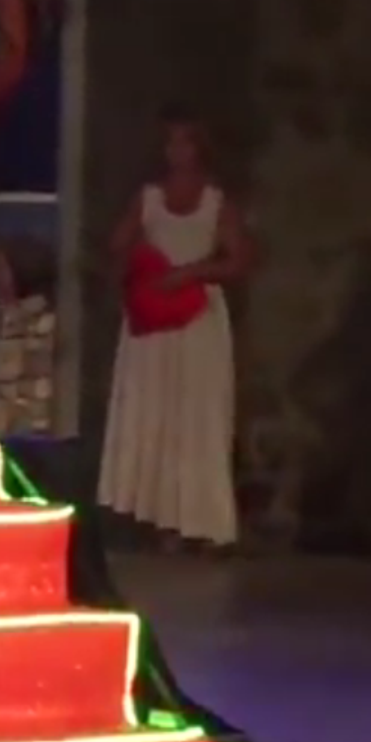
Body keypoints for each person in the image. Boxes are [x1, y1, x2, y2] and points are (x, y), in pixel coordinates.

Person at [97, 107, 251, 552]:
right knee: (155, 412)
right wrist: (142, 265)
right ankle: (160, 521)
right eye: (170, 142)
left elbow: (239, 261)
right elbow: (117, 245)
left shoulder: (216, 202)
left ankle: (201, 522)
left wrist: (189, 273)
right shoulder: (148, 198)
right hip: (153, 317)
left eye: (185, 142)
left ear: (200, 148)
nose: (176, 151)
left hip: (198, 317)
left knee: (198, 416)